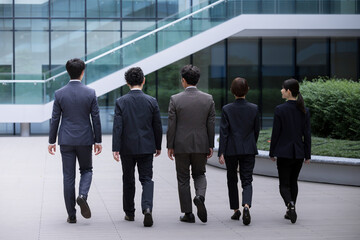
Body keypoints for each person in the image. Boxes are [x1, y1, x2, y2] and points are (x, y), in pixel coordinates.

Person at [48, 58, 102, 224]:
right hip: (85, 139)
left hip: (66, 140)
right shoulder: (90, 92)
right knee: (87, 170)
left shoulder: (59, 93)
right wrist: (98, 140)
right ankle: (82, 195)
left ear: (67, 71)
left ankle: (71, 215)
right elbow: (96, 118)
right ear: (83, 72)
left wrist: (51, 141)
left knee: (68, 176)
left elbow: (55, 119)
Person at [112, 67, 162, 227]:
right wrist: (158, 145)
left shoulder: (121, 102)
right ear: (143, 80)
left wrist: (115, 148)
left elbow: (117, 127)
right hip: (147, 146)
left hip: (127, 148)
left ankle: (129, 213)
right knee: (146, 178)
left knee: (128, 179)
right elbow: (157, 125)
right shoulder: (151, 101)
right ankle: (147, 208)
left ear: (127, 82)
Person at [167, 64, 215, 223]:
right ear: (198, 80)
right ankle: (200, 196)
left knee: (183, 178)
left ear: (183, 80)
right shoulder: (208, 99)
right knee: (200, 174)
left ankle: (188, 213)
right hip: (201, 144)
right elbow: (211, 124)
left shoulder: (175, 99)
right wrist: (210, 144)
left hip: (181, 145)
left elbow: (172, 124)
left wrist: (170, 145)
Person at [218, 77, 259, 226]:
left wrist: (221, 151)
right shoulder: (254, 108)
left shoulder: (227, 109)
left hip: (231, 149)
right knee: (247, 179)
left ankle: (236, 210)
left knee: (231, 179)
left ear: (232, 91)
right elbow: (256, 130)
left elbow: (224, 132)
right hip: (248, 148)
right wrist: (251, 143)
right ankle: (246, 205)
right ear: (247, 90)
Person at [269, 78, 311, 224]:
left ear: (288, 91)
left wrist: (272, 152)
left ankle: (290, 205)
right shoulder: (304, 110)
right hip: (298, 153)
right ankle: (290, 209)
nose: (281, 90)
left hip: (284, 152)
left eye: (283, 88)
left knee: (284, 184)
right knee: (293, 182)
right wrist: (307, 154)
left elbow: (276, 133)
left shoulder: (280, 109)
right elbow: (307, 134)